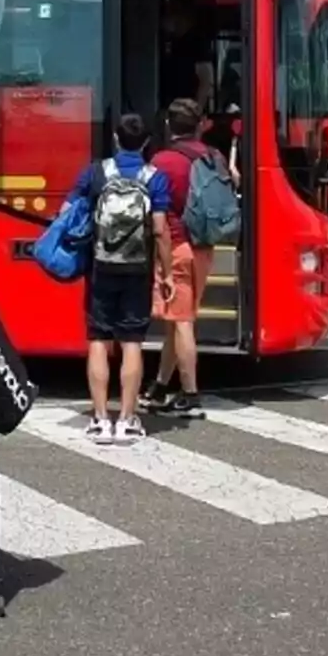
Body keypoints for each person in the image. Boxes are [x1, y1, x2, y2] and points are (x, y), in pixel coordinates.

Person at [66, 112, 173, 444]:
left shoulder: (97, 172)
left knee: (98, 338)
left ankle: (100, 419)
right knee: (131, 342)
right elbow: (159, 229)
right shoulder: (155, 177)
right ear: (145, 143)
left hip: (100, 266)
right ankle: (127, 420)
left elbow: (67, 213)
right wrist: (165, 273)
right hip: (137, 269)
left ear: (115, 138)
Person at [140, 98, 219, 419]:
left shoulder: (161, 160)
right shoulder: (213, 156)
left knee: (182, 322)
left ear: (170, 126)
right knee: (178, 319)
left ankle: (190, 394)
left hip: (176, 247)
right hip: (205, 247)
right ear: (199, 124)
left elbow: (149, 203)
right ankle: (160, 385)